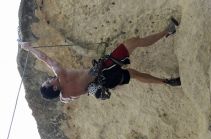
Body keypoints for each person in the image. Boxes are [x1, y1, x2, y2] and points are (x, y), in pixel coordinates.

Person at [20, 18, 181, 102]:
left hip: (106, 82)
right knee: (133, 42)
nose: (48, 80)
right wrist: (29, 48)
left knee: (133, 74)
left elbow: (81, 91)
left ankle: (166, 82)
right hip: (104, 69)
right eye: (48, 83)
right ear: (54, 88)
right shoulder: (61, 75)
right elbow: (45, 59)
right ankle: (168, 30)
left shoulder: (67, 94)